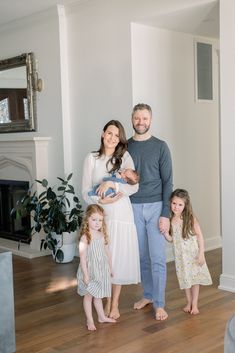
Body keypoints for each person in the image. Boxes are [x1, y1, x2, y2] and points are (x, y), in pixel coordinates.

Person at [82, 120, 140, 320]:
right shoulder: (91, 158)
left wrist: (113, 187)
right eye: (109, 133)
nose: (112, 138)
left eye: (117, 136)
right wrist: (101, 199)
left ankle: (113, 303)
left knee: (118, 260)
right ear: (102, 133)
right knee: (102, 260)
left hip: (121, 215)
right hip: (101, 216)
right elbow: (84, 191)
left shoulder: (124, 157)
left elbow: (133, 186)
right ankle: (101, 298)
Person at [128, 103, 173, 321]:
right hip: (132, 207)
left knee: (157, 257)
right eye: (137, 118)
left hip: (156, 207)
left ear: (151, 120)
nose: (141, 122)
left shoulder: (161, 146)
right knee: (143, 257)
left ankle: (160, 303)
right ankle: (148, 295)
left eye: (144, 118)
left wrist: (166, 214)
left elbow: (168, 182)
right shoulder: (125, 147)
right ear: (132, 120)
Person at [163, 189, 212, 315]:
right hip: (180, 258)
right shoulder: (170, 219)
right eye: (174, 203)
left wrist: (201, 254)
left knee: (194, 280)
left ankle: (194, 304)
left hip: (193, 255)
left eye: (180, 204)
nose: (176, 207)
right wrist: (164, 233)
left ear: (185, 205)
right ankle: (188, 302)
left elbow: (200, 236)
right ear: (170, 203)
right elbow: (172, 239)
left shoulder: (190, 218)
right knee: (185, 280)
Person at [77, 204, 116, 331]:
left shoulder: (101, 234)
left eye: (100, 220)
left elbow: (107, 252)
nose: (97, 223)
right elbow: (82, 258)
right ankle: (89, 320)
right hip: (89, 271)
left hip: (101, 270)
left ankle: (101, 317)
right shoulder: (85, 237)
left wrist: (110, 268)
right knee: (89, 296)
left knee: (98, 295)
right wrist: (86, 275)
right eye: (94, 219)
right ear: (87, 219)